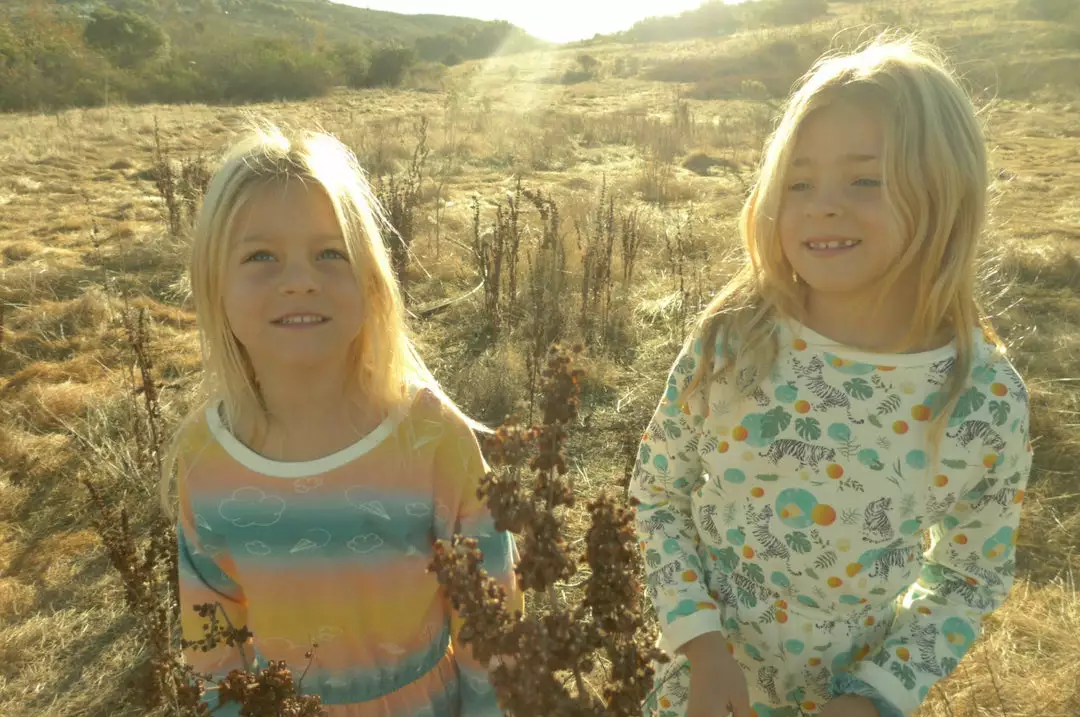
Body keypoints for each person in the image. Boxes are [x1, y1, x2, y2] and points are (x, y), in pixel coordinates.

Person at [631, 35, 1032, 717]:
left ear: (947, 193)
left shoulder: (983, 400)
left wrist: (876, 697)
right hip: (696, 693)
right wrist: (700, 644)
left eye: (865, 180)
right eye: (799, 182)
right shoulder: (735, 339)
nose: (822, 205)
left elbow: (968, 578)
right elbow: (657, 493)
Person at [160, 123, 522, 717]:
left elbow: (491, 618)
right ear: (213, 286)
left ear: (372, 281)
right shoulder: (206, 456)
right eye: (260, 256)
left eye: (331, 253)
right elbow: (212, 634)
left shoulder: (432, 438)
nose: (300, 280)